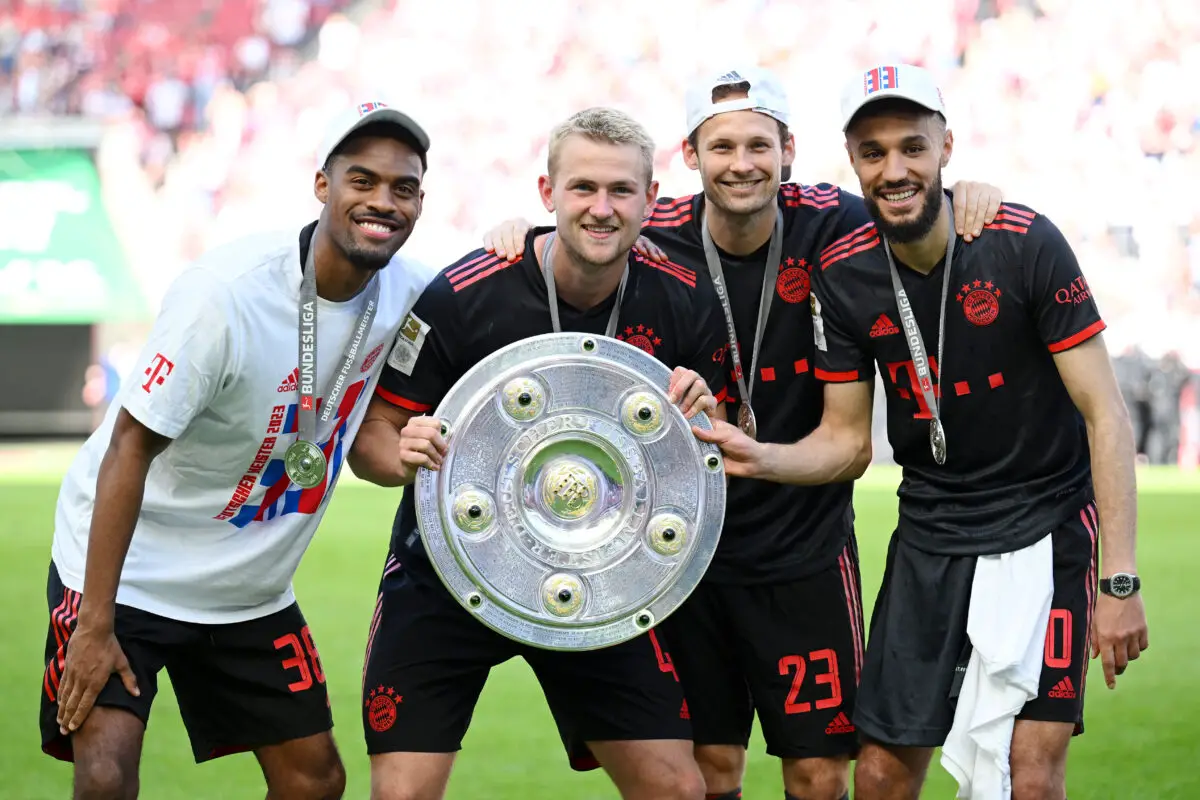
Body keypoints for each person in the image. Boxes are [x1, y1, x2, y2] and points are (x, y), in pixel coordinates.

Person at [481, 66, 1003, 800]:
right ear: (691, 156)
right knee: (712, 766)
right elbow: (577, 234)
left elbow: (914, 205)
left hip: (803, 546)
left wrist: (969, 193)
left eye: (759, 145)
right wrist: (518, 232)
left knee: (819, 773)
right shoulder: (654, 228)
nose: (741, 163)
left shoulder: (836, 221)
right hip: (684, 551)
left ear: (788, 150)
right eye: (721, 146)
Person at [696, 64, 1150, 800]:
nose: (895, 169)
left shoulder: (1023, 241)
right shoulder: (842, 271)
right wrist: (761, 457)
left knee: (1031, 776)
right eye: (873, 152)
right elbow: (848, 440)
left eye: (913, 147)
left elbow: (1106, 413)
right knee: (879, 774)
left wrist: (1119, 580)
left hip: (1048, 524)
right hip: (931, 531)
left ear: (946, 149)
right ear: (852, 161)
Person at [41, 101, 436, 799]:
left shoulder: (414, 294)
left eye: (403, 188)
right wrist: (94, 623)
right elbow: (128, 446)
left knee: (315, 781)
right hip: (131, 572)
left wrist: (514, 236)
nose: (383, 201)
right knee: (104, 776)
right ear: (322, 185)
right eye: (362, 180)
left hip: (246, 588)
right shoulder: (225, 294)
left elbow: (505, 288)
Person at [347, 106, 728, 800]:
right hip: (448, 577)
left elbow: (717, 447)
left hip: (601, 583)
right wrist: (403, 452)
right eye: (583, 188)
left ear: (651, 198)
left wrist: (706, 415)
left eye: (621, 190)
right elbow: (372, 439)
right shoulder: (465, 292)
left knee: (677, 789)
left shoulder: (683, 297)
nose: (602, 208)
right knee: (400, 795)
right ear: (548, 193)